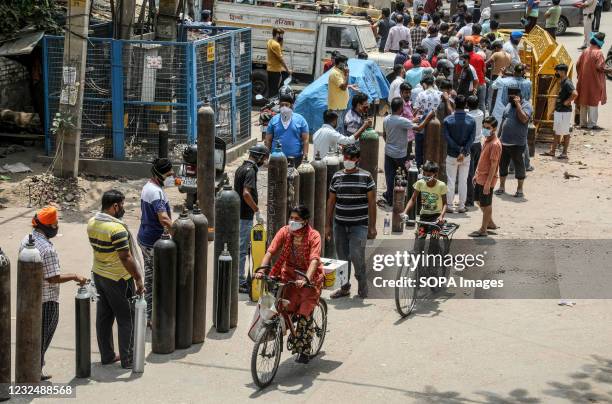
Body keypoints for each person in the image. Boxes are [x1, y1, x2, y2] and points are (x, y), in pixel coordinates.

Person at [19, 206, 87, 380]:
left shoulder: (27, 239)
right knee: (43, 335)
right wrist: (74, 276)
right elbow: (53, 278)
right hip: (47, 300)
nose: (57, 227)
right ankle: (35, 369)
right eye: (55, 223)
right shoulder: (47, 250)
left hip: (29, 298)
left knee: (32, 334)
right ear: (48, 226)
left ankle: (31, 367)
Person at [256, 205, 324, 364]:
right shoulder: (285, 231)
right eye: (291, 218)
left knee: (304, 313)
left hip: (309, 277)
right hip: (289, 274)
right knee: (280, 304)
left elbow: (314, 260)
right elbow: (270, 251)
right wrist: (261, 269)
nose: (293, 222)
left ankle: (304, 350)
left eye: (297, 219)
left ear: (305, 221)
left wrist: (307, 278)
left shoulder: (313, 236)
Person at [88, 190, 145, 369]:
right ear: (114, 206)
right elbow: (125, 257)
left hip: (99, 275)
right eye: (122, 205)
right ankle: (128, 359)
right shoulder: (117, 229)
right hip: (118, 278)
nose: (123, 209)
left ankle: (107, 355)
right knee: (126, 317)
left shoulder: (92, 223)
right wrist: (138, 278)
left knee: (104, 318)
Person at [326, 144, 377, 299]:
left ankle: (362, 285)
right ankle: (344, 287)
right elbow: (331, 202)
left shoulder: (366, 177)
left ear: (357, 159)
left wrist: (372, 227)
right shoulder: (337, 177)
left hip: (359, 225)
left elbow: (372, 203)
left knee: (356, 255)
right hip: (339, 224)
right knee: (342, 257)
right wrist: (327, 225)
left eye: (351, 158)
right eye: (345, 157)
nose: (347, 160)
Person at [137, 158, 173, 321]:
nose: (172, 176)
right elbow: (164, 219)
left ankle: (150, 312)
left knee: (151, 274)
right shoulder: (156, 193)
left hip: (145, 237)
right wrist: (179, 234)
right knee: (153, 279)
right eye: (169, 174)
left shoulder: (148, 187)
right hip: (153, 241)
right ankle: (150, 315)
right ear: (159, 174)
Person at [382, 97, 432, 205]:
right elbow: (419, 128)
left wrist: (390, 144)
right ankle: (404, 198)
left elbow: (384, 135)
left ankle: (390, 198)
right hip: (400, 154)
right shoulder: (402, 121)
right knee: (405, 176)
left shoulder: (386, 119)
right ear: (401, 108)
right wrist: (428, 117)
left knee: (390, 177)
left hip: (388, 152)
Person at [235, 144, 269, 293]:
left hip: (238, 213)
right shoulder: (250, 172)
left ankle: (238, 278)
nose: (265, 162)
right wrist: (256, 210)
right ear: (260, 157)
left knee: (240, 247)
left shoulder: (240, 168)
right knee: (242, 249)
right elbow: (246, 194)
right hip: (244, 215)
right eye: (265, 159)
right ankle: (240, 281)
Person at [495, 89, 532, 198]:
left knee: (519, 166)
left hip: (518, 143)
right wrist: (498, 137)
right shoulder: (508, 105)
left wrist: (518, 105)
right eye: (510, 98)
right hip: (504, 142)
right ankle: (502, 187)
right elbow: (503, 121)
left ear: (519, 96)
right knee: (502, 165)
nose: (510, 100)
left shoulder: (527, 105)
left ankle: (519, 189)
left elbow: (524, 119)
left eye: (513, 98)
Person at [469, 116, 502, 237]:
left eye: (488, 128)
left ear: (494, 129)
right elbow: (483, 159)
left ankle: (483, 229)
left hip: (487, 179)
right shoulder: (487, 140)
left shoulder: (495, 144)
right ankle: (490, 223)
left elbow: (493, 165)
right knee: (478, 201)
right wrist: (476, 174)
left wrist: (488, 183)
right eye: (484, 127)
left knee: (486, 204)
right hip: (480, 177)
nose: (485, 129)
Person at [443, 95, 475, 213]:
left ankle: (450, 206)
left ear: (454, 104)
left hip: (452, 154)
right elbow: (472, 138)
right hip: (465, 155)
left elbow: (447, 138)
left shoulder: (447, 120)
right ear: (465, 105)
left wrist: (458, 149)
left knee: (451, 181)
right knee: (463, 181)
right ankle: (461, 206)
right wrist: (463, 151)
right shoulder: (471, 120)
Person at [402, 160, 448, 242]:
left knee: (434, 238)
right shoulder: (420, 183)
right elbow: (413, 199)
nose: (425, 176)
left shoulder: (441, 185)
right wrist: (405, 212)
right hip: (423, 216)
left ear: (435, 174)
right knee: (420, 237)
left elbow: (445, 204)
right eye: (424, 174)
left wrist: (441, 216)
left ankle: (435, 252)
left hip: (436, 217)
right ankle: (417, 252)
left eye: (429, 175)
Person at [541, 64, 577, 160]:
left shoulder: (567, 82)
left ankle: (564, 153)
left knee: (565, 132)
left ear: (562, 71)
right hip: (559, 110)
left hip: (564, 111)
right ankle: (552, 151)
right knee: (556, 131)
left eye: (557, 71)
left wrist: (567, 102)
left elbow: (575, 93)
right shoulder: (562, 81)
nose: (556, 73)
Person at [576, 32, 609, 130]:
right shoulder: (599, 52)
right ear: (600, 42)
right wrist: (609, 70)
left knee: (583, 102)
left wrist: (580, 76)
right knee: (593, 103)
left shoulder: (585, 51)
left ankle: (583, 124)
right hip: (594, 82)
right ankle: (592, 124)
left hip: (583, 81)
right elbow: (600, 67)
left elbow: (578, 64)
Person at [265, 94, 309, 166]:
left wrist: (305, 155)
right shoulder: (273, 120)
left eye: (286, 105)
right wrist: (266, 157)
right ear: (279, 106)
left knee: (294, 177)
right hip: (276, 158)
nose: (284, 107)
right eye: (282, 105)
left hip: (296, 159)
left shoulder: (301, 120)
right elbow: (268, 140)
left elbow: (305, 140)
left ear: (291, 106)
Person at [413, 75, 442, 167]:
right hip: (436, 129)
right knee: (434, 153)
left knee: (419, 154)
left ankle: (419, 172)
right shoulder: (440, 94)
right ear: (433, 83)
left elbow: (416, 112)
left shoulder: (421, 94)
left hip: (421, 129)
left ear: (424, 84)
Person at [327, 54, 358, 133]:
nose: (346, 65)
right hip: (336, 106)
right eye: (345, 63)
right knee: (338, 128)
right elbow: (343, 87)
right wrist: (347, 74)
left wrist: (350, 86)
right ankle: (337, 144)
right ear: (339, 63)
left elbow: (340, 85)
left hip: (340, 105)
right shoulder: (335, 73)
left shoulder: (340, 72)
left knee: (340, 126)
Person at [465, 95, 484, 207]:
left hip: (470, 145)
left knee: (469, 174)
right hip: (478, 145)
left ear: (468, 105)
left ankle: (470, 199)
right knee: (476, 171)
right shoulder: (481, 113)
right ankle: (476, 196)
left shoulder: (468, 116)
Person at [267, 28, 290, 97]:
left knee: (271, 89)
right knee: (274, 91)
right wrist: (287, 70)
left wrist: (281, 41)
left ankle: (270, 103)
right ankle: (273, 105)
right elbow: (281, 59)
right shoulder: (276, 45)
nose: (282, 36)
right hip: (275, 70)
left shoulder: (270, 41)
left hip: (270, 69)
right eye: (281, 35)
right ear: (277, 34)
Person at [465, 41, 487, 112]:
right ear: (473, 48)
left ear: (464, 49)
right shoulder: (479, 57)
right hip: (481, 83)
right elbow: (484, 70)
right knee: (481, 104)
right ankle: (483, 122)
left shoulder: (464, 59)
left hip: (470, 85)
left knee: (470, 104)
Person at [400, 82, 416, 158]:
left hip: (410, 136)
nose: (408, 95)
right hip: (402, 137)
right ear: (401, 93)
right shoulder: (399, 105)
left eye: (409, 92)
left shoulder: (410, 103)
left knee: (408, 155)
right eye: (406, 93)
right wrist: (414, 120)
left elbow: (410, 116)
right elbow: (399, 122)